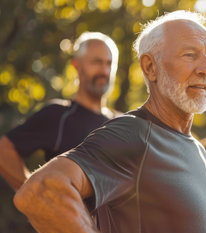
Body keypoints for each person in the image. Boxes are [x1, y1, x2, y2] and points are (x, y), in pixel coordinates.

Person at [13, 11, 206, 233]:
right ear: (150, 67)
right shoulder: (133, 133)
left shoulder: (194, 147)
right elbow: (40, 193)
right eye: (190, 55)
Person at [0, 31, 119, 191]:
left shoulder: (121, 123)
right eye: (97, 62)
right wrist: (36, 197)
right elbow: (4, 152)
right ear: (77, 66)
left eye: (109, 63)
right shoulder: (58, 116)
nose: (104, 71)